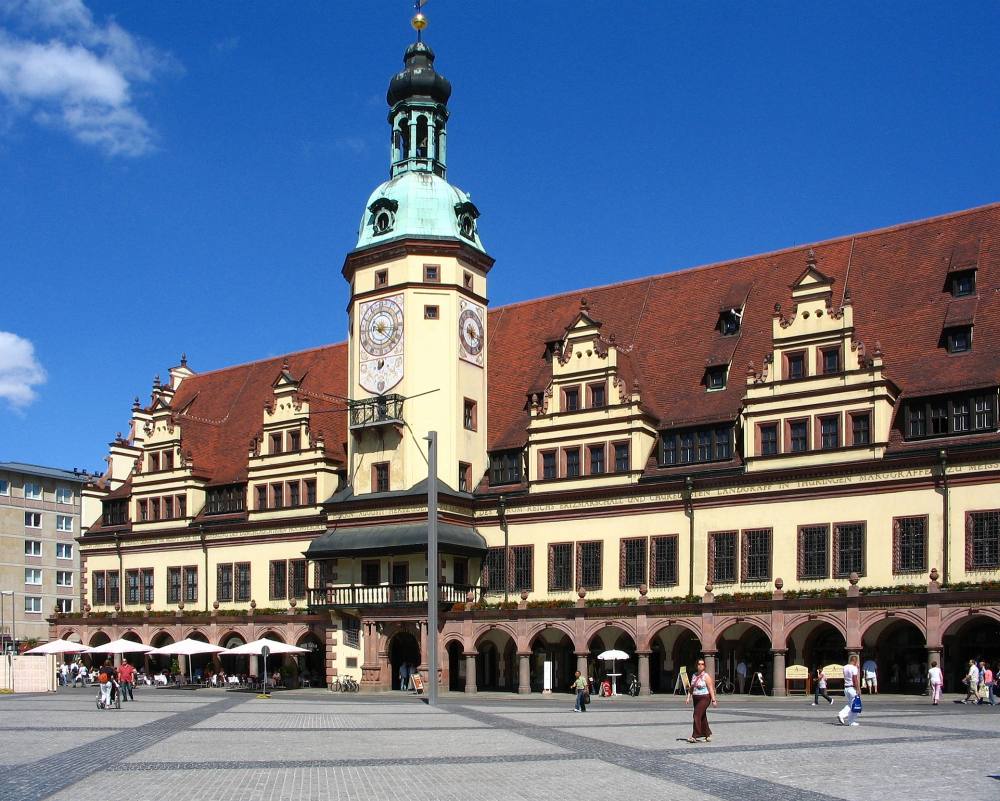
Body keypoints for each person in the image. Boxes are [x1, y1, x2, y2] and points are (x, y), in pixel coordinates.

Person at [685, 658, 718, 742]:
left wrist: (713, 700)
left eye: (702, 664)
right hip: (696, 698)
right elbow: (691, 688)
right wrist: (688, 697)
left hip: (705, 698)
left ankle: (695, 735)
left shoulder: (706, 676)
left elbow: (711, 688)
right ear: (696, 665)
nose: (700, 666)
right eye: (699, 664)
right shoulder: (694, 675)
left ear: (704, 666)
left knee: (696, 715)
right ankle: (707, 734)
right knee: (702, 716)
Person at [837, 654, 861, 726]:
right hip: (852, 688)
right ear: (855, 660)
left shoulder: (844, 667)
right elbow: (855, 679)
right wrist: (858, 689)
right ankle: (843, 716)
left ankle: (850, 720)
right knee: (855, 704)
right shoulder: (854, 668)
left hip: (846, 688)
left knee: (851, 704)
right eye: (857, 661)